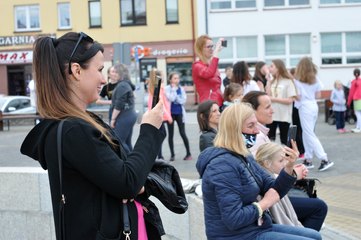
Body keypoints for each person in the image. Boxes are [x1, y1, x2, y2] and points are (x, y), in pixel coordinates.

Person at [20, 32, 165, 240]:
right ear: (76, 70)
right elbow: (128, 182)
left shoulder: (75, 124)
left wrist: (132, 183)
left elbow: (121, 176)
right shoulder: (74, 130)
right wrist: (149, 129)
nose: (104, 79)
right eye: (99, 70)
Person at [196, 103, 321, 240]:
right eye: (251, 126)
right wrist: (264, 204)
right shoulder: (221, 166)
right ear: (234, 130)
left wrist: (289, 166)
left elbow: (273, 188)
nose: (256, 131)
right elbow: (233, 219)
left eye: (256, 125)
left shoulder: (243, 155)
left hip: (255, 227)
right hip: (236, 236)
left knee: (315, 236)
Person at [243, 91, 328, 232]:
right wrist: (293, 173)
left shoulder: (260, 135)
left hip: (270, 197)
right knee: (318, 207)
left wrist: (289, 166)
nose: (273, 110)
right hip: (268, 200)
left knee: (314, 207)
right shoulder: (255, 139)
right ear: (252, 111)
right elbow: (263, 175)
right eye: (267, 107)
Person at [294, 57, 334, 171]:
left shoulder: (297, 80)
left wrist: (291, 96)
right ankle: (308, 159)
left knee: (309, 133)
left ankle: (324, 159)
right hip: (313, 105)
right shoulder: (315, 79)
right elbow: (318, 96)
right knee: (307, 133)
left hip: (304, 107)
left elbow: (299, 96)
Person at [255, 142, 304, 227]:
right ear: (266, 163)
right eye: (281, 160)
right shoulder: (269, 182)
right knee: (319, 207)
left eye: (286, 159)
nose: (285, 163)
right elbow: (280, 217)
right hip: (279, 227)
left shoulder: (272, 177)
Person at [266, 59, 297, 145]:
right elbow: (268, 95)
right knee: (270, 139)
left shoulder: (288, 82)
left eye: (272, 66)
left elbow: (290, 100)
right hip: (272, 114)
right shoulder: (273, 81)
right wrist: (268, 81)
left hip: (283, 116)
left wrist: (273, 99)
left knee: (284, 140)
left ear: (278, 68)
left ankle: (286, 158)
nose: (269, 68)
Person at [165, 72, 192, 161]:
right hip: (170, 114)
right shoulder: (167, 89)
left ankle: (188, 153)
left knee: (182, 133)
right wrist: (174, 90)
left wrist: (176, 96)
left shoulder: (181, 89)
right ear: (170, 80)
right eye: (175, 78)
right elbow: (171, 98)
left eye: (178, 78)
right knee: (170, 134)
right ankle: (172, 155)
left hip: (179, 113)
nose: (177, 80)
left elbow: (182, 101)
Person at [110, 63, 137, 151]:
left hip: (124, 116)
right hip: (128, 115)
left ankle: (131, 163)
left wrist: (113, 119)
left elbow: (119, 104)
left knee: (119, 142)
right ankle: (134, 162)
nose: (112, 73)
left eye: (115, 72)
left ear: (120, 73)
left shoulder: (122, 85)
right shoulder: (125, 84)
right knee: (127, 142)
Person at [192, 34, 224, 107]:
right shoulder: (197, 66)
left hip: (219, 103)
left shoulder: (212, 65)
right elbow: (208, 73)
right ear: (200, 49)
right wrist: (216, 53)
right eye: (208, 46)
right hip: (208, 106)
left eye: (212, 46)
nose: (212, 49)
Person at [148, 68, 173, 160]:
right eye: (161, 76)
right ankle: (158, 156)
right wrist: (168, 116)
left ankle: (159, 155)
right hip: (159, 114)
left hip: (154, 113)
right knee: (161, 134)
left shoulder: (152, 86)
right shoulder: (159, 87)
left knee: (159, 135)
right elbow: (162, 103)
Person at [290, 67, 305, 159]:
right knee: (298, 129)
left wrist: (293, 95)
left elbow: (298, 97)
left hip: (298, 107)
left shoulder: (296, 83)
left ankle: (302, 150)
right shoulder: (295, 82)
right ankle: (301, 150)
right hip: (296, 107)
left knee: (299, 130)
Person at [347, 68, 361, 133]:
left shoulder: (353, 82)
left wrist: (348, 102)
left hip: (357, 99)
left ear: (354, 74)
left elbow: (351, 93)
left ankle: (358, 128)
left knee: (357, 113)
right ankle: (358, 126)